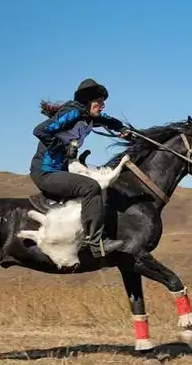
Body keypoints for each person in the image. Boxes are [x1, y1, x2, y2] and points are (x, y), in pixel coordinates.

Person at [29, 78, 132, 256]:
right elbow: (40, 130)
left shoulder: (88, 116)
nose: (102, 106)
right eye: (99, 102)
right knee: (91, 187)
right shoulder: (73, 114)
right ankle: (95, 243)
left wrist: (121, 128)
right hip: (46, 172)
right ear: (87, 101)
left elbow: (106, 120)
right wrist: (63, 149)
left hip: (61, 171)